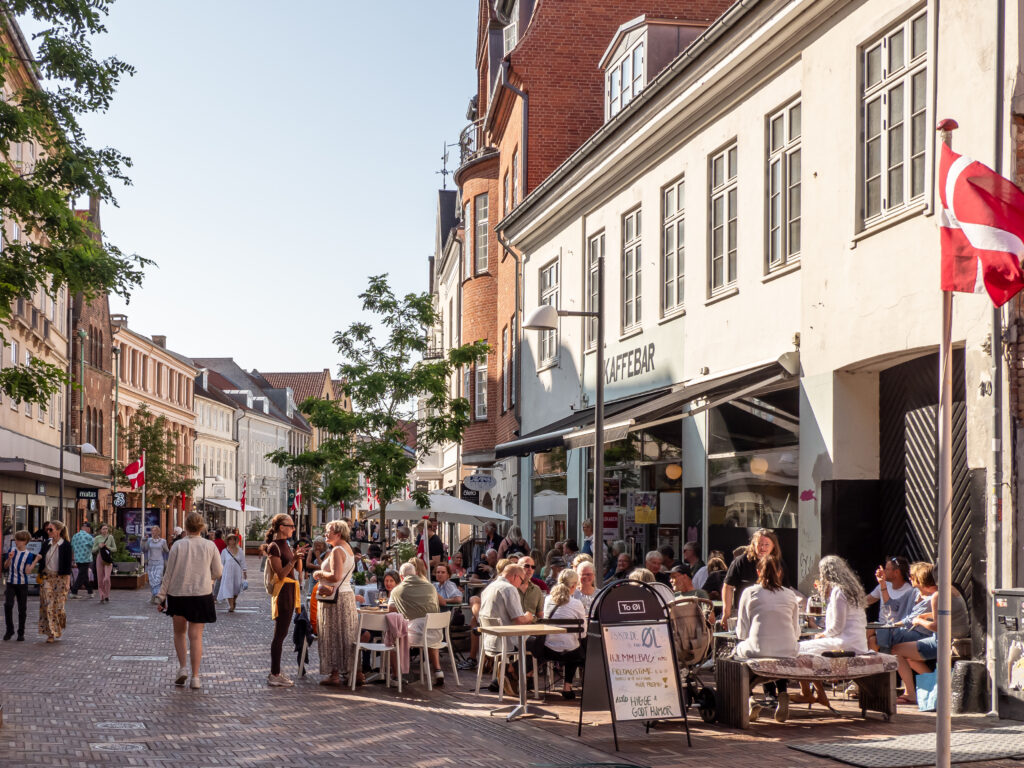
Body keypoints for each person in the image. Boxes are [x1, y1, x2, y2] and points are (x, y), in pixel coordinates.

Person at [156, 512, 222, 689]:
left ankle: (182, 667)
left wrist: (161, 596)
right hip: (201, 593)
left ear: (186, 527)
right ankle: (195, 676)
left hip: (178, 594)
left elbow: (168, 573)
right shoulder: (210, 546)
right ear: (202, 527)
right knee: (196, 637)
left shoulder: (178, 545)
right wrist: (210, 579)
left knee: (179, 632)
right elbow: (218, 571)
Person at [889, 565, 970, 706]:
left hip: (944, 641)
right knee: (910, 658)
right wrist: (927, 615)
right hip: (953, 636)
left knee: (896, 650)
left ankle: (910, 694)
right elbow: (947, 614)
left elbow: (937, 626)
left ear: (921, 580)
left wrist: (919, 620)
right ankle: (934, 687)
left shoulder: (937, 596)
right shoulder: (950, 590)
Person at [794, 555, 869, 707]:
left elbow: (837, 627)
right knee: (809, 649)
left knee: (798, 649)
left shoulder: (839, 592)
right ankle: (820, 695)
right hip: (857, 642)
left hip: (844, 643)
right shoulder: (852, 590)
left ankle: (807, 694)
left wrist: (821, 635)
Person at [733, 556, 801, 723]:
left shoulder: (749, 592)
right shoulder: (790, 594)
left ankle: (750, 699)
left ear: (758, 572)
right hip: (788, 650)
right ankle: (782, 692)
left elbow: (742, 631)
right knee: (781, 649)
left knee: (735, 653)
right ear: (780, 573)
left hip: (758, 649)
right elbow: (796, 631)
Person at [313, 520, 360, 687]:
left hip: (335, 599)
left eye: (328, 531)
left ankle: (334, 674)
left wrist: (319, 573)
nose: (325, 533)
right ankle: (351, 670)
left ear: (338, 533)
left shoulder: (336, 551)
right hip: (346, 595)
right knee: (346, 634)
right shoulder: (348, 549)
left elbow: (335, 576)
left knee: (332, 635)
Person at [264, 513, 309, 687]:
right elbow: (280, 574)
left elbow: (296, 569)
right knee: (280, 634)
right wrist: (293, 560)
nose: (293, 528)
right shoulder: (274, 547)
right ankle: (274, 673)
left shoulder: (287, 545)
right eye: (290, 525)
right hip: (283, 592)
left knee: (282, 633)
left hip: (291, 591)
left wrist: (298, 558)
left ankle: (276, 672)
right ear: (281, 527)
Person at [478, 563, 534, 692]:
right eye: (522, 580)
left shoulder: (489, 588)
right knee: (542, 643)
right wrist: (529, 616)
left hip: (490, 641)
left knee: (535, 642)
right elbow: (519, 620)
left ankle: (505, 678)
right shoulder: (509, 589)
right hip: (507, 641)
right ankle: (511, 670)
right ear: (515, 576)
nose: (521, 584)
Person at [389, 559, 445, 686]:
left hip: (416, 636)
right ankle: (438, 670)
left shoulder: (397, 590)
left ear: (401, 576)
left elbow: (391, 610)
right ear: (415, 573)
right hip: (436, 635)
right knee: (427, 628)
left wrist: (406, 607)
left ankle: (396, 677)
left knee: (393, 637)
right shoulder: (430, 587)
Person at [721, 529, 792, 626]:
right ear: (753, 544)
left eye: (767, 544)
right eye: (759, 544)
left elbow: (785, 590)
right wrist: (726, 613)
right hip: (744, 613)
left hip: (772, 613)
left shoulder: (779, 564)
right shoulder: (741, 562)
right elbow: (728, 587)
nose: (762, 548)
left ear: (773, 546)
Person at [538, 568, 587, 699]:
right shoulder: (577, 603)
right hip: (571, 652)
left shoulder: (548, 599)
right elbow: (583, 633)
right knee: (576, 646)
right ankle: (567, 687)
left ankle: (528, 672)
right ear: (573, 586)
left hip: (548, 649)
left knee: (572, 644)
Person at [37, 521, 73, 643]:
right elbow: (40, 558)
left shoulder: (66, 545)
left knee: (58, 607)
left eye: (50, 530)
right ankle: (51, 633)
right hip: (47, 578)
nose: (48, 532)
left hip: (61, 579)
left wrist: (68, 583)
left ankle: (59, 622)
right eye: (47, 529)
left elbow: (68, 567)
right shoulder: (46, 543)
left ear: (58, 531)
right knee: (47, 605)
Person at [4, 530, 37, 641]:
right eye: (17, 539)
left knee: (22, 609)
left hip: (22, 584)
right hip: (10, 582)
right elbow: (5, 566)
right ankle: (10, 630)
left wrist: (35, 561)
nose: (17, 541)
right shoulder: (12, 550)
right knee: (8, 605)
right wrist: (9, 558)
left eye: (20, 540)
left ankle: (21, 632)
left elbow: (27, 571)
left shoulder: (29, 555)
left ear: (25, 541)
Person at [866, 556, 917, 623]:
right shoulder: (884, 584)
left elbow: (893, 606)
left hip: (897, 629)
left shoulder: (909, 591)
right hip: (881, 626)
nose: (884, 571)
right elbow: (866, 601)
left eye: (887, 569)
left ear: (896, 572)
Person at [217, 534, 247, 612]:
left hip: (237, 572)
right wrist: (220, 573)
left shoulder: (240, 550)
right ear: (228, 541)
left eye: (234, 540)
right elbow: (221, 563)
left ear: (236, 541)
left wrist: (245, 571)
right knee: (228, 588)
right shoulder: (224, 551)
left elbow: (243, 562)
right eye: (230, 540)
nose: (232, 541)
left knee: (236, 588)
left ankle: (234, 600)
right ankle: (231, 605)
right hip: (227, 572)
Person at [144, 526, 170, 604]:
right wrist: (144, 540)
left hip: (160, 562)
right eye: (152, 531)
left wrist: (167, 560)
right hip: (151, 563)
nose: (153, 532)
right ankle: (153, 596)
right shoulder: (149, 541)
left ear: (158, 532)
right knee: (152, 580)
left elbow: (167, 551)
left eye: (155, 531)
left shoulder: (163, 541)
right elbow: (144, 549)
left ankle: (157, 597)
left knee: (157, 580)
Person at [69, 521, 94, 599]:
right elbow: (94, 546)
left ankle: (90, 591)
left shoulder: (75, 536)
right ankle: (74, 592)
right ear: (88, 529)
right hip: (86, 558)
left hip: (77, 558)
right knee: (81, 576)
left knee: (84, 575)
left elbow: (72, 547)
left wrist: (73, 557)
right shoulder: (89, 537)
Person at [91, 523, 116, 604]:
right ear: (100, 530)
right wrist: (99, 546)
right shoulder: (97, 538)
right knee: (100, 579)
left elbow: (115, 549)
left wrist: (107, 547)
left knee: (107, 578)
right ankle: (101, 595)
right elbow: (93, 550)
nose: (105, 530)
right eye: (103, 529)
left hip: (108, 559)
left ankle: (107, 595)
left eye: (106, 529)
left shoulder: (110, 537)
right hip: (99, 558)